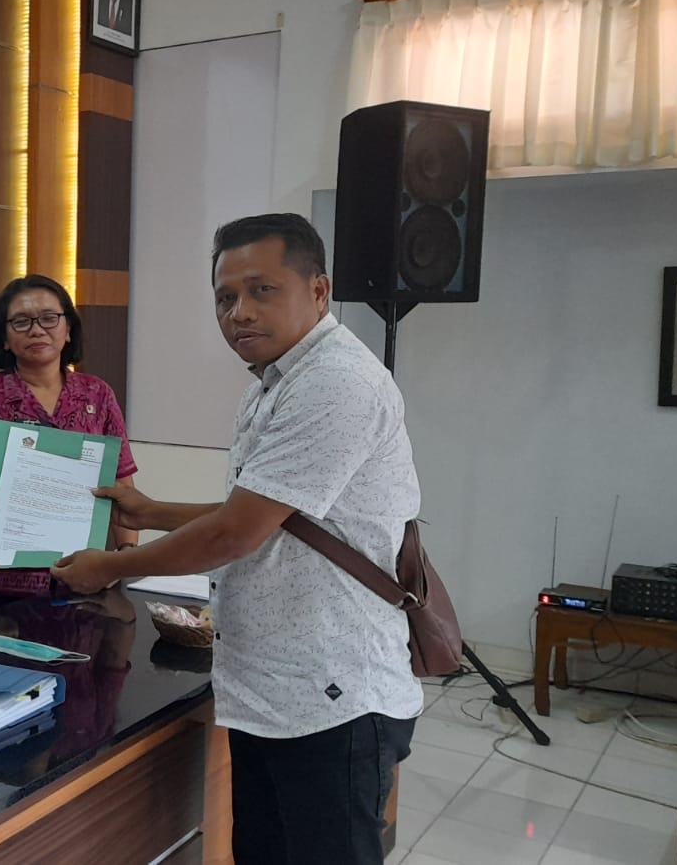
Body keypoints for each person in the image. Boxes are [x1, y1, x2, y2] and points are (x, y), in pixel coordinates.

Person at [52, 214, 421, 865]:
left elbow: (235, 533)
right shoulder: (276, 380)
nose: (239, 312)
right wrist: (152, 510)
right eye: (225, 297)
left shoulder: (336, 383)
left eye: (261, 290)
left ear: (318, 290)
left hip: (331, 696)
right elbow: (269, 510)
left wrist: (108, 565)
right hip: (275, 690)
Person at [0, 274, 138, 616]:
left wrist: (125, 556)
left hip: (82, 582)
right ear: (4, 338)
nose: (37, 330)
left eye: (49, 318)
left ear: (68, 330)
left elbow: (122, 484)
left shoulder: (97, 394)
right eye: (21, 321)